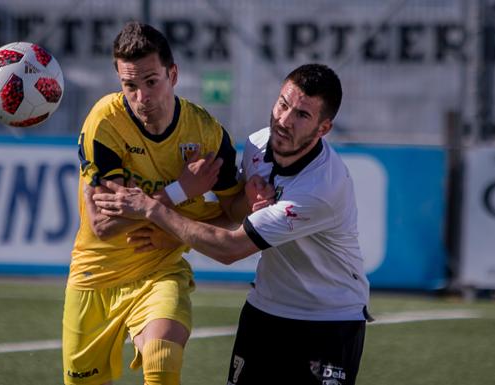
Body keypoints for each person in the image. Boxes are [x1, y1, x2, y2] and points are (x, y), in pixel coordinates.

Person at [93, 63, 372, 385]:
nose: (284, 120)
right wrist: (179, 234)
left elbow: (231, 248)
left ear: (323, 128)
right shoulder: (256, 145)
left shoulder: (320, 189)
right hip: (266, 310)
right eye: (283, 104)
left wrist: (151, 208)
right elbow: (233, 215)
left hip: (328, 321)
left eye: (302, 115)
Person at [63, 21, 243, 385]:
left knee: (161, 358)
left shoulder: (206, 133)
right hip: (94, 277)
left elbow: (234, 215)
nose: (142, 97)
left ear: (172, 74)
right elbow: (104, 225)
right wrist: (180, 190)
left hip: (159, 271)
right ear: (119, 79)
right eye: (130, 85)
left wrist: (250, 202)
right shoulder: (105, 123)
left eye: (151, 82)